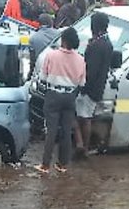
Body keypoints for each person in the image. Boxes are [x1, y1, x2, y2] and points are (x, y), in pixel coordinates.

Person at [35, 27, 84, 175]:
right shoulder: (81, 59)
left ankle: (45, 165)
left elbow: (43, 77)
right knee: (66, 130)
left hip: (53, 95)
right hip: (70, 97)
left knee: (51, 131)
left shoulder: (51, 55)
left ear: (63, 40)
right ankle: (62, 164)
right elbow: (82, 83)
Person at [76, 10, 111, 156]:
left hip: (90, 88)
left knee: (84, 118)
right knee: (85, 117)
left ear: (95, 26)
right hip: (97, 87)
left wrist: (82, 87)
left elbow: (91, 70)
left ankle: (83, 147)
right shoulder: (106, 43)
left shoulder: (97, 45)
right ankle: (83, 145)